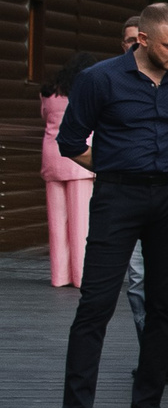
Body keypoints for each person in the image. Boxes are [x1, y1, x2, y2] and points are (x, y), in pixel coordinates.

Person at [50, 3, 168, 408]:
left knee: (163, 304)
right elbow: (70, 141)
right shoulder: (99, 79)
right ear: (142, 40)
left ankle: (147, 406)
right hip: (118, 197)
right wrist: (115, 165)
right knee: (95, 304)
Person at [40, 53, 98, 287]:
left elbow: (44, 116)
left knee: (57, 222)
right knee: (80, 221)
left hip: (51, 157)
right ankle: (81, 275)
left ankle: (59, 276)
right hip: (78, 160)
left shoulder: (49, 91)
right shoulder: (85, 90)